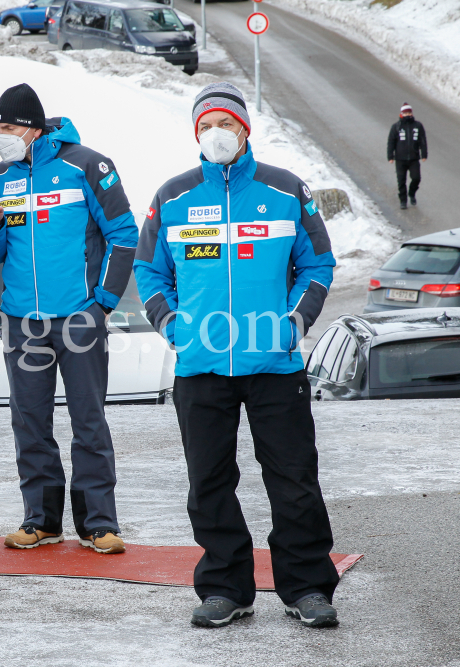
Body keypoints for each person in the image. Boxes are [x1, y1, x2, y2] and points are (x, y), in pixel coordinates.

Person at [134, 82, 341, 629]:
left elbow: (319, 264)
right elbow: (149, 270)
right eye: (205, 127)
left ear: (245, 130)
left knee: (294, 480)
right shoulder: (173, 197)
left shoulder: (285, 190)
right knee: (208, 482)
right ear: (195, 134)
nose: (215, 135)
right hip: (200, 367)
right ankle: (226, 586)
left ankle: (308, 587)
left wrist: (293, 322)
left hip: (274, 366)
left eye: (225, 124)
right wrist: (173, 325)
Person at [0, 84, 137, 555]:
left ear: (33, 127)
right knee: (30, 423)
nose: (1, 137)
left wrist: (102, 302)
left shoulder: (86, 165)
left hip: (79, 317)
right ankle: (41, 519)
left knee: (89, 421)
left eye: (7, 128)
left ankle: (99, 523)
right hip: (22, 320)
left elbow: (123, 234)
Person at [387, 102, 428, 210]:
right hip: (400, 159)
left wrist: (424, 154)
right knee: (401, 181)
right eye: (406, 113)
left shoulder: (418, 126)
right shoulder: (396, 127)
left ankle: (412, 193)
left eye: (409, 112)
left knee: (416, 178)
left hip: (414, 158)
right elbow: (391, 142)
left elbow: (422, 140)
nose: (408, 114)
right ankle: (403, 201)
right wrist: (390, 156)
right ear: (402, 114)